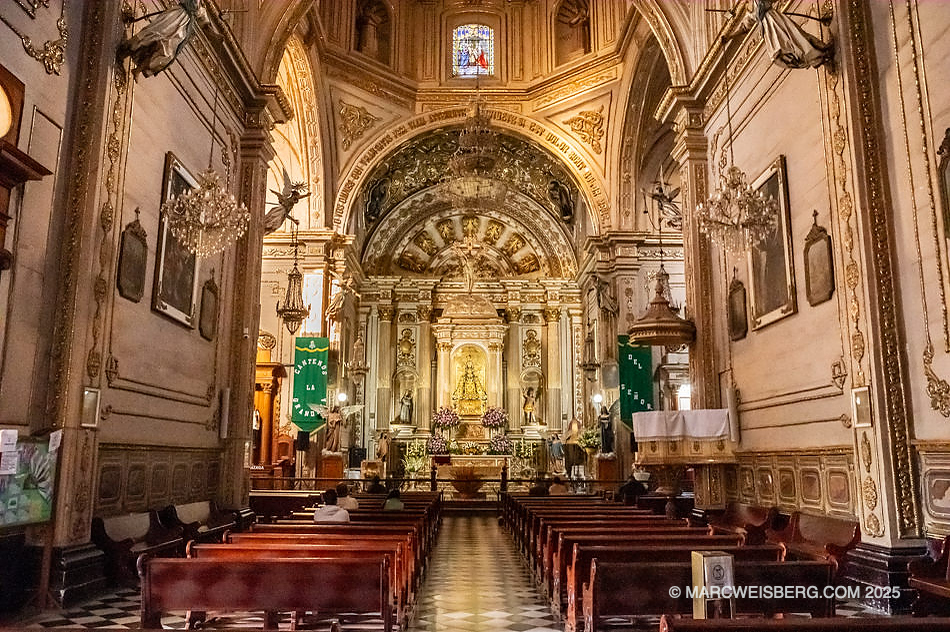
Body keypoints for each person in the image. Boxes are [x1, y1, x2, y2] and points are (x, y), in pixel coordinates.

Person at [118, 0, 210, 79]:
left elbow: (206, 26)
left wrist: (217, 36)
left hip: (182, 30)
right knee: (152, 35)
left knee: (167, 54)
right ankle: (126, 51)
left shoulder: (202, 9)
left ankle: (138, 69)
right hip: (174, 17)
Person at [738, 0, 832, 69]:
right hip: (768, 31)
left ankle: (820, 52)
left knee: (797, 38)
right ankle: (814, 59)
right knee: (779, 56)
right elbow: (744, 27)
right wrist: (728, 37)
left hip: (776, 20)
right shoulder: (749, 9)